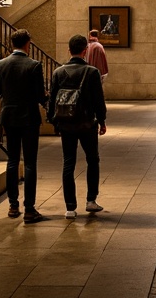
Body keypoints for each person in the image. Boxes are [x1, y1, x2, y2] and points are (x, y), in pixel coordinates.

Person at [0, 28, 47, 223]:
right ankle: (29, 208)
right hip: (29, 117)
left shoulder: (1, 64)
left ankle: (13, 205)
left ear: (11, 43)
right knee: (30, 162)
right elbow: (40, 96)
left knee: (12, 160)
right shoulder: (34, 65)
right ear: (27, 44)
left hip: (9, 116)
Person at [48, 34, 107, 220]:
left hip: (66, 124)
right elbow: (99, 100)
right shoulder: (92, 72)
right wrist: (102, 120)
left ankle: (70, 208)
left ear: (69, 50)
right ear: (85, 50)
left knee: (68, 162)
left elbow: (52, 100)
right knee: (92, 160)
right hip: (87, 123)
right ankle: (91, 200)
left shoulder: (58, 72)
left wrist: (54, 121)